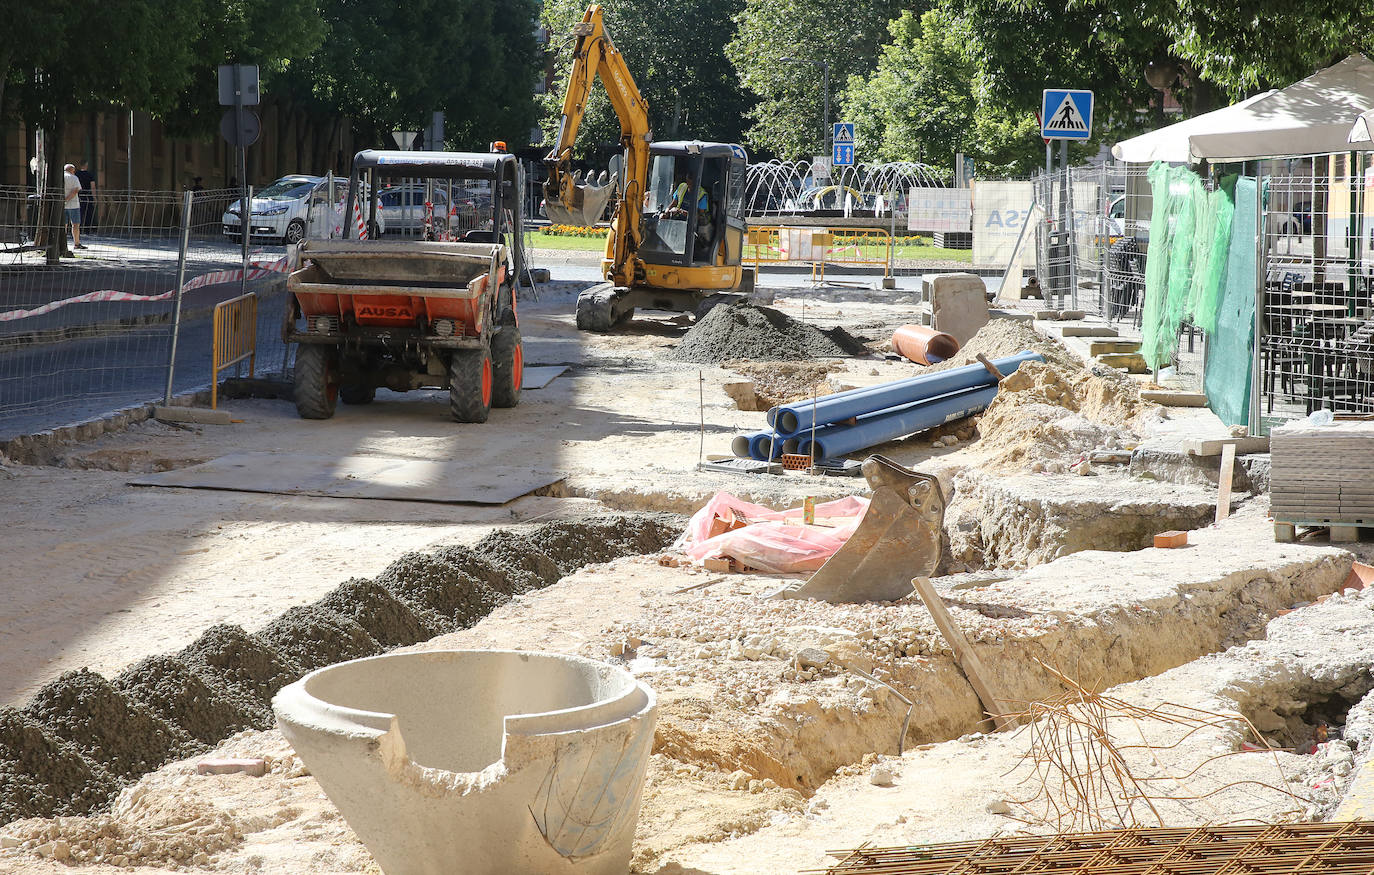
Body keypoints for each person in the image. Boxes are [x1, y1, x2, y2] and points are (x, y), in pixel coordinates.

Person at [62, 163, 85, 251]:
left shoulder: (61, 177)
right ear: (72, 170)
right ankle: (76, 243)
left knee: (63, 225)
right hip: (74, 204)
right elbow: (76, 190)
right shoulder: (74, 178)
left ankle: (63, 243)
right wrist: (67, 199)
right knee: (75, 225)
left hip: (62, 205)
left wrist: (63, 200)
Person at [75, 160, 96, 232]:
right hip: (88, 196)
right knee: (88, 213)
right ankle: (88, 229)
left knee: (79, 213)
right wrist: (94, 197)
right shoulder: (90, 174)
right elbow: (93, 187)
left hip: (79, 195)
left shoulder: (76, 174)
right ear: (86, 165)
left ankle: (79, 229)